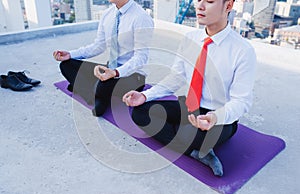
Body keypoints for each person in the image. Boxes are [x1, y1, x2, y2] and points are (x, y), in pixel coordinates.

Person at [123, 0, 256, 176]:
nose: (200, 6)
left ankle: (196, 144)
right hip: (190, 107)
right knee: (140, 112)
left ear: (228, 6)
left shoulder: (242, 50)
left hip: (219, 117)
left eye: (209, 1)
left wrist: (215, 117)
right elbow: (176, 77)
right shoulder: (190, 39)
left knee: (200, 137)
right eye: (198, 0)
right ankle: (196, 153)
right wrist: (145, 96)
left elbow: (241, 101)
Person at [53, 0, 154, 116]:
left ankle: (93, 92)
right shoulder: (107, 14)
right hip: (109, 69)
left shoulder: (141, 18)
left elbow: (141, 57)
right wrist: (70, 54)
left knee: (103, 86)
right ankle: (98, 95)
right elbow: (98, 46)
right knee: (66, 65)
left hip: (133, 75)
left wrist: (115, 72)